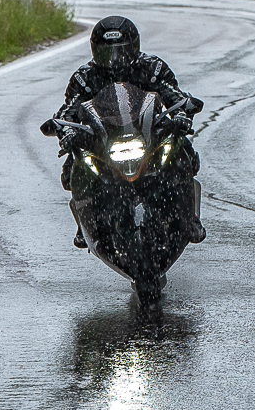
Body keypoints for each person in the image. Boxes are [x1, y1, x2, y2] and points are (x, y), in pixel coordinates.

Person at [46, 16, 205, 246]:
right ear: (94, 50)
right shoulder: (84, 78)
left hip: (148, 133)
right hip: (103, 140)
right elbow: (68, 110)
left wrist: (182, 113)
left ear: (134, 47)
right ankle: (86, 223)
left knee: (182, 150)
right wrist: (64, 130)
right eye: (107, 52)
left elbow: (175, 96)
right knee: (74, 165)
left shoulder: (152, 68)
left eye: (120, 51)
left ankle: (190, 218)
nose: (114, 59)